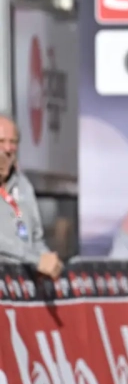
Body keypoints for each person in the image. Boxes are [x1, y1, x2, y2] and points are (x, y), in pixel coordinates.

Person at [0, 114, 62, 278]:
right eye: (1, 141)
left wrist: (48, 259)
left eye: (12, 142)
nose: (7, 149)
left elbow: (36, 239)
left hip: (22, 293)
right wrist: (34, 259)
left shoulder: (23, 185)